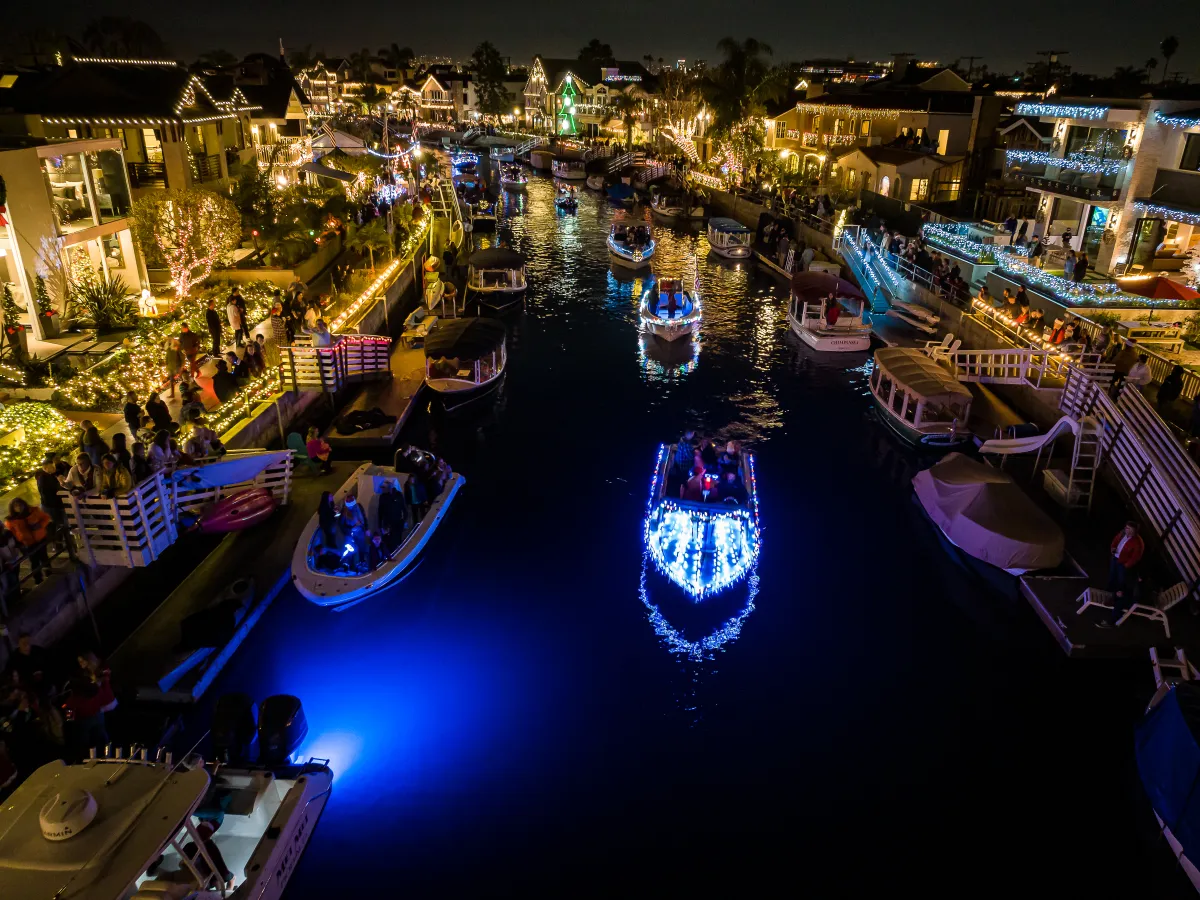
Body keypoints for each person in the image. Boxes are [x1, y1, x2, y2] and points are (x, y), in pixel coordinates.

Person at [1098, 521, 1145, 628]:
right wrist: (1113, 549)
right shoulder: (1122, 533)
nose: (1128, 531)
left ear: (1135, 531)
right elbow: (1115, 541)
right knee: (1113, 578)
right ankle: (1110, 595)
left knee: (1120, 582)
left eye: (1130, 530)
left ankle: (1113, 616)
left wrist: (1126, 565)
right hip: (1116, 558)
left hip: (1122, 564)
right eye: (1127, 528)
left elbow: (1135, 557)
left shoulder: (1138, 542)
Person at [6, 498, 51, 584]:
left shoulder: (33, 511)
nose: (18, 507)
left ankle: (49, 573)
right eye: (16, 506)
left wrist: (40, 525)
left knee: (44, 557)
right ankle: (38, 579)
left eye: (20, 505)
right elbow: (12, 533)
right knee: (34, 561)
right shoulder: (11, 520)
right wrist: (19, 541)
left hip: (40, 538)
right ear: (12, 508)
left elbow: (46, 518)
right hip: (27, 543)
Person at [340, 493, 368, 569]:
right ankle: (351, 565)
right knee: (352, 550)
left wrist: (367, 529)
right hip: (350, 534)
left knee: (362, 547)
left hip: (360, 531)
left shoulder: (359, 506)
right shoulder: (344, 511)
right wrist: (351, 529)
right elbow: (341, 524)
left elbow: (364, 517)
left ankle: (362, 562)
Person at [378, 480, 406, 551]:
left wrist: (404, 521)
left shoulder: (398, 495)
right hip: (387, 524)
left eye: (384, 487)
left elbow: (404, 508)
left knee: (397, 541)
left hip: (397, 522)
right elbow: (380, 511)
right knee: (388, 542)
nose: (382, 489)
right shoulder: (382, 497)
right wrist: (380, 526)